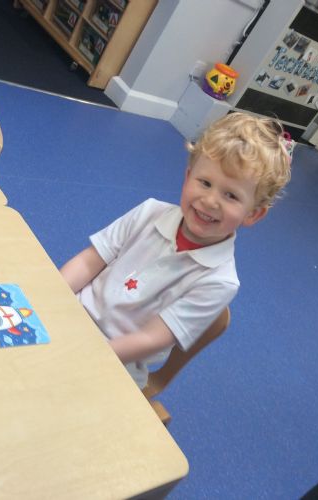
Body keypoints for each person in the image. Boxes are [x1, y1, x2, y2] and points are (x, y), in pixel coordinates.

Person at [60, 112, 292, 389]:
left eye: (231, 195)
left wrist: (88, 354)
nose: (210, 201)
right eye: (205, 183)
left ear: (253, 214)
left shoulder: (220, 281)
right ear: (188, 177)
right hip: (71, 315)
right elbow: (89, 262)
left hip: (117, 363)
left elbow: (152, 338)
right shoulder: (149, 212)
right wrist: (52, 298)